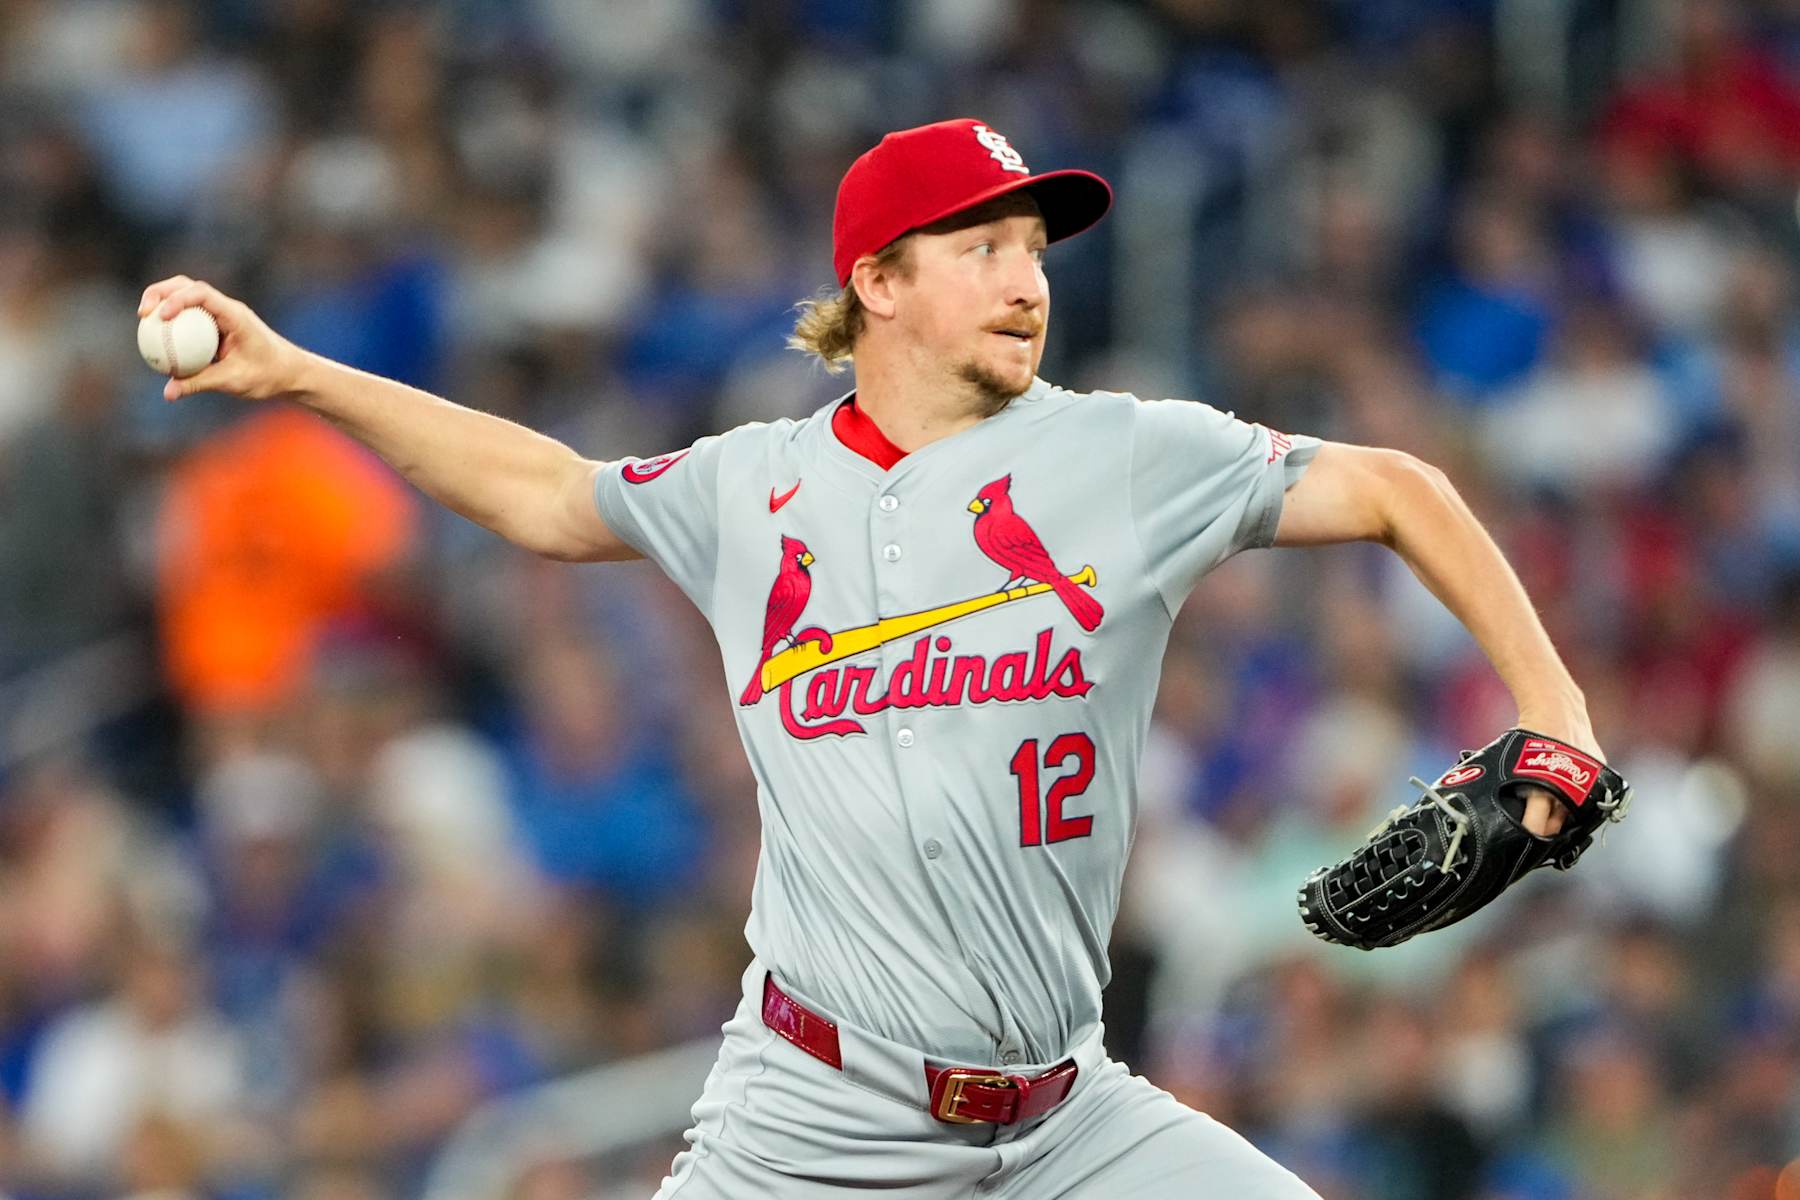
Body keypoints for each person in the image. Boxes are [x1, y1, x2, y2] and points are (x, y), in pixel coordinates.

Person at [141, 118, 1604, 1198]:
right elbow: (539, 491)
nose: (1027, 280)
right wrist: (296, 373)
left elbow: (1401, 487)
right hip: (810, 1123)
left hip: (1067, 1121)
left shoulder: (1132, 454)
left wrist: (1554, 715)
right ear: (880, 282)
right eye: (984, 248)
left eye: (1034, 249)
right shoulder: (749, 487)